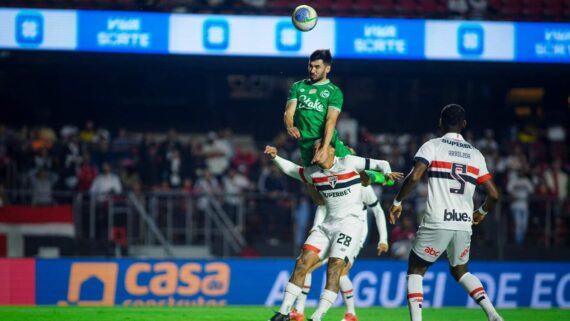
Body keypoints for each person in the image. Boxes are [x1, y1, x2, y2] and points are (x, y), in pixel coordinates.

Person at [389, 104, 503, 321]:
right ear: (464, 125)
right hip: (463, 223)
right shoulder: (475, 154)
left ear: (440, 122)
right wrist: (481, 212)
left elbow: (414, 177)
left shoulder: (432, 146)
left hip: (437, 220)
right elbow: (494, 195)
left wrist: (397, 201)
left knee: (416, 269)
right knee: (461, 271)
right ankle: (493, 314)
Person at [265, 142, 402, 321]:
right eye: (314, 149)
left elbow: (380, 163)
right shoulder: (313, 172)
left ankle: (318, 316)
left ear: (331, 150)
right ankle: (283, 313)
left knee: (335, 267)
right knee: (302, 262)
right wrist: (275, 157)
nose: (315, 152)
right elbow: (292, 170)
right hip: (326, 225)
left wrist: (386, 172)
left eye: (319, 148)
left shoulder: (349, 162)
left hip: (350, 225)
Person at [290, 174, 390, 321]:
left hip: (355, 232)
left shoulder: (363, 186)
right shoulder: (334, 181)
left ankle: (349, 314)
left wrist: (384, 239)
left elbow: (378, 210)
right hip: (332, 229)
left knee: (341, 271)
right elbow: (323, 205)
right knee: (307, 266)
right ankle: (298, 311)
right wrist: (316, 226)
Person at [283, 49, 387, 185]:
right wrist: (290, 126)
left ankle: (377, 177)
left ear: (328, 68)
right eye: (310, 66)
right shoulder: (298, 87)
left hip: (329, 142)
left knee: (358, 175)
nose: (312, 70)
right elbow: (288, 112)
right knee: (318, 192)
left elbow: (330, 121)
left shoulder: (334, 92)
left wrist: (324, 148)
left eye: (317, 67)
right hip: (306, 145)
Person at [507, 170, 534, 244]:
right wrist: (514, 196)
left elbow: (531, 191)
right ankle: (518, 243)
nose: (521, 172)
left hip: (524, 206)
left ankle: (521, 241)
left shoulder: (526, 181)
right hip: (515, 206)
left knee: (524, 225)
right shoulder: (513, 180)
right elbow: (508, 190)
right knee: (518, 224)